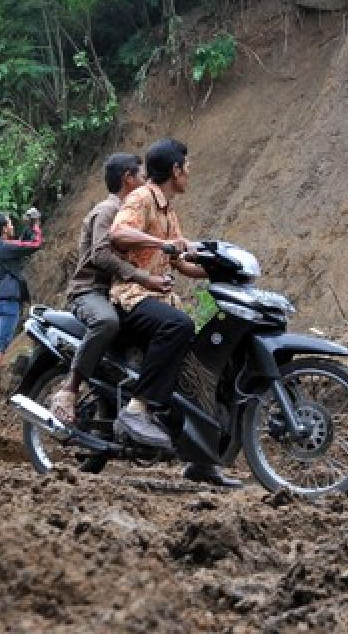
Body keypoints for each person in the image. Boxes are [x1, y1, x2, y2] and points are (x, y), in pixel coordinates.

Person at [109, 137, 241, 488]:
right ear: (174, 169)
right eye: (187, 167)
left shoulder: (168, 210)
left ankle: (201, 461)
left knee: (202, 365)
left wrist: (220, 269)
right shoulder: (141, 198)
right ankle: (137, 408)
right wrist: (159, 244)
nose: (190, 173)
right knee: (179, 325)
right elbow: (119, 232)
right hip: (132, 296)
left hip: (159, 301)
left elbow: (181, 262)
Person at [49, 154, 166, 424]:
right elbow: (100, 254)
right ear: (128, 178)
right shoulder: (108, 210)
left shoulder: (135, 215)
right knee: (106, 322)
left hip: (120, 292)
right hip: (91, 291)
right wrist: (142, 278)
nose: (147, 183)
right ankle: (69, 389)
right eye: (141, 176)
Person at [0, 207, 42, 374]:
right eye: (9, 224)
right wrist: (35, 224)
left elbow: (19, 246)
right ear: (3, 229)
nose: (12, 226)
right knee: (0, 343)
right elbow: (35, 244)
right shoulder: (5, 247)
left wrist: (29, 228)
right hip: (7, 299)